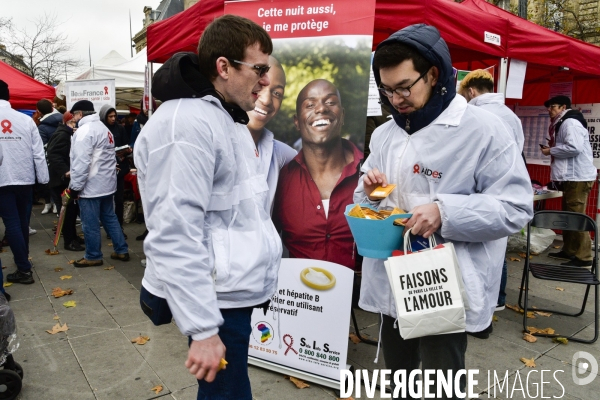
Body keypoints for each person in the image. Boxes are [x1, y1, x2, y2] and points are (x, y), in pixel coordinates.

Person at [354, 24, 533, 398]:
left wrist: (445, 212)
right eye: (387, 90)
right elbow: (363, 199)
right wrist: (369, 194)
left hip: (441, 282)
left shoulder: (482, 130)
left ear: (434, 74)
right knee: (397, 377)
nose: (396, 98)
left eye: (404, 86)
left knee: (440, 381)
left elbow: (515, 208)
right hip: (391, 271)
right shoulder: (386, 134)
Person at [135, 15, 281, 399]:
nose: (265, 80)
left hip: (229, 293)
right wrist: (202, 329)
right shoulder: (187, 124)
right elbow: (174, 231)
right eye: (259, 69)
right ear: (223, 66)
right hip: (217, 300)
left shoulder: (223, 117)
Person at [273, 79, 363, 270]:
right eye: (310, 104)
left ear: (343, 115)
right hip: (301, 296)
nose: (321, 109)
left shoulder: (369, 172)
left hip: (360, 297)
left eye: (330, 102)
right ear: (297, 121)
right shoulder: (280, 181)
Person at [459, 69, 527, 311]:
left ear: (471, 91)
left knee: (474, 256)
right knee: (497, 250)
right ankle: (497, 300)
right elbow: (516, 154)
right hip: (503, 194)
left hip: (475, 194)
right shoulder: (511, 116)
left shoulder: (473, 114)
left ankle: (476, 306)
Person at [66, 100, 129, 268]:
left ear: (80, 113)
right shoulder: (103, 128)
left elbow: (81, 162)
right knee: (110, 217)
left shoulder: (85, 131)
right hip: (106, 183)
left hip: (91, 186)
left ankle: (93, 255)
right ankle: (121, 249)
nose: (74, 118)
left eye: (74, 115)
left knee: (90, 222)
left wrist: (75, 187)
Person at [0, 80, 49, 285]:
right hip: (25, 177)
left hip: (3, 179)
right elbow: (38, 152)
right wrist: (43, 178)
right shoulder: (26, 120)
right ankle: (24, 260)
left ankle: (23, 267)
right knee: (22, 222)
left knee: (11, 223)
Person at [542, 95, 597, 267]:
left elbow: (574, 147)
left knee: (576, 215)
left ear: (563, 107)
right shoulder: (562, 122)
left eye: (553, 107)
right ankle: (570, 250)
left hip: (578, 176)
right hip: (572, 176)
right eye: (549, 107)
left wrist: (551, 150)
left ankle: (584, 256)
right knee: (568, 215)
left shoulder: (569, 123)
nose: (550, 110)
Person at [240, 55, 296, 213]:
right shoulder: (214, 142)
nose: (266, 100)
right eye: (259, 85)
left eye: (277, 93)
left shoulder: (283, 155)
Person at [46, 112, 84, 251]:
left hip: (62, 179)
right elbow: (53, 153)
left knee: (71, 211)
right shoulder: (63, 135)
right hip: (61, 180)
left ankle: (73, 237)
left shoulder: (66, 134)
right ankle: (69, 241)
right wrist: (65, 171)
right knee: (68, 212)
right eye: (74, 122)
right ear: (69, 122)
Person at [99, 105, 131, 239]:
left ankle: (118, 228)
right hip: (104, 170)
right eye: (110, 116)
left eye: (114, 116)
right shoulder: (100, 129)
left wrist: (126, 151)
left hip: (119, 170)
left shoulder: (120, 128)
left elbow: (126, 144)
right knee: (106, 201)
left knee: (118, 200)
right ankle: (109, 228)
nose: (113, 119)